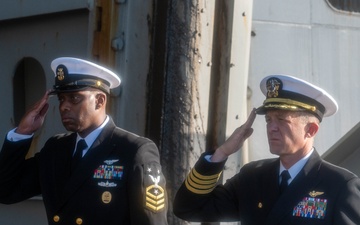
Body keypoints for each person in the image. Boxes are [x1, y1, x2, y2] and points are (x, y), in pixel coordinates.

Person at [0, 57, 168, 225]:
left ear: (100, 101)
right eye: (61, 99)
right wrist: (22, 133)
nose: (64, 106)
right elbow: (6, 191)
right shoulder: (55, 150)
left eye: (74, 98)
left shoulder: (133, 150)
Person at [173, 74, 360, 224]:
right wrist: (221, 154)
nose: (272, 128)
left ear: (310, 130)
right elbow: (189, 208)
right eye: (268, 119)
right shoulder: (253, 176)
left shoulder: (340, 185)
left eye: (282, 120)